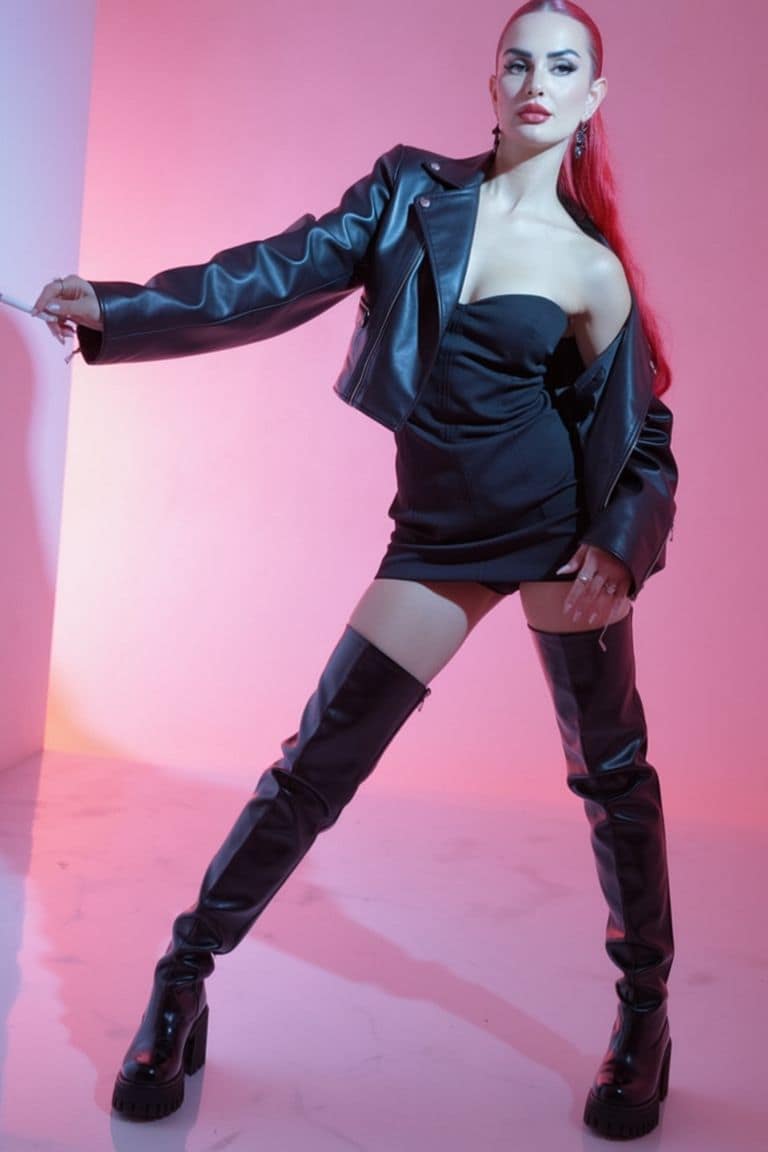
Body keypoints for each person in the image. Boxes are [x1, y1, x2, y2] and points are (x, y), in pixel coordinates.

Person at [35, 0, 677, 1140]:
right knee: (313, 769)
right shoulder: (409, 193)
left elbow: (644, 430)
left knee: (612, 776)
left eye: (561, 66)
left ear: (592, 98)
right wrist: (121, 310)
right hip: (438, 538)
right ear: (492, 83)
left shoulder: (593, 266)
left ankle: (645, 1019)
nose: (536, 82)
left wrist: (620, 545)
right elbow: (276, 274)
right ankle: (183, 980)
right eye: (517, 62)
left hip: (559, 534)